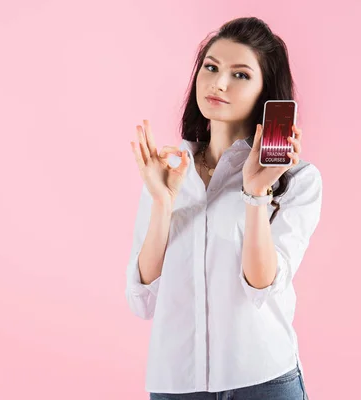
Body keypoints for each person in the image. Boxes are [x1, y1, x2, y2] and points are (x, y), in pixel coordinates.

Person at [126, 17, 321, 400]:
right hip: (175, 384)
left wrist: (255, 191)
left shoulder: (297, 180)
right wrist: (163, 204)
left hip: (263, 380)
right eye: (211, 67)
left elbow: (261, 286)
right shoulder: (167, 171)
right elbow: (143, 299)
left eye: (241, 74)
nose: (219, 83)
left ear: (267, 91)